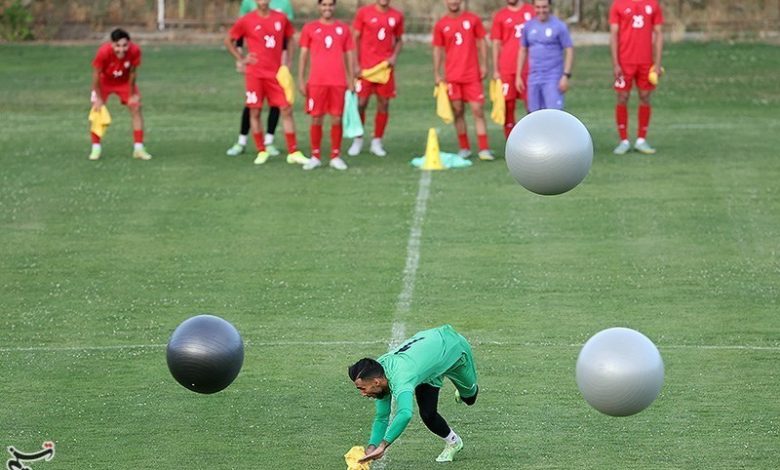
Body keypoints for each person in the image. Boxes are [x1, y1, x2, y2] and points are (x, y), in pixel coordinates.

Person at [348, 325, 479, 463]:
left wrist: (383, 445)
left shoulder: (401, 378)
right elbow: (382, 416)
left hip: (454, 350)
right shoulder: (378, 371)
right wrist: (372, 447)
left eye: (362, 389)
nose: (363, 394)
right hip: (428, 370)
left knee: (470, 398)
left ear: (376, 382)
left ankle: (462, 390)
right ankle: (454, 442)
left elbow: (405, 413)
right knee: (428, 413)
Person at [225, 0, 307, 165]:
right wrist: (242, 59)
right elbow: (229, 40)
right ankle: (261, 150)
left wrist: (288, 62)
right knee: (254, 111)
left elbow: (290, 39)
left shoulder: (281, 18)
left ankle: (293, 151)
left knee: (286, 108)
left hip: (275, 74)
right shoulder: (247, 20)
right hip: (254, 74)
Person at [298, 0, 356, 171]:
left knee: (336, 118)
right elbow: (303, 55)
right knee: (316, 117)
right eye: (324, 5)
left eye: (330, 5)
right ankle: (315, 156)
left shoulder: (343, 29)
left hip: (338, 81)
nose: (327, 8)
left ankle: (335, 156)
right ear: (319, 7)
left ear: (334, 7)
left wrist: (351, 79)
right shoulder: (309, 28)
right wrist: (301, 79)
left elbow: (349, 55)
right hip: (316, 82)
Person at [433, 0, 494, 161]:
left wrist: (484, 65)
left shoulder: (473, 20)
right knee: (458, 111)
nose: (453, 2)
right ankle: (464, 147)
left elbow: (482, 42)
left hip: (472, 75)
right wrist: (437, 73)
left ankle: (484, 149)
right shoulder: (441, 24)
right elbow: (438, 49)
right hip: (452, 76)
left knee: (478, 110)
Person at [347, 0, 404, 158]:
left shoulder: (396, 16)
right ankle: (357, 139)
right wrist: (355, 64)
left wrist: (394, 56)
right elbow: (355, 38)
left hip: (384, 69)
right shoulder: (364, 13)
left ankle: (377, 141)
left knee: (384, 103)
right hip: (365, 68)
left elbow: (399, 40)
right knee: (361, 103)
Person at [609, 0, 664, 155]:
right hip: (625, 61)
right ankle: (624, 140)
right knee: (622, 97)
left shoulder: (653, 4)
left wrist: (658, 63)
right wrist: (615, 64)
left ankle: (641, 140)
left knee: (645, 96)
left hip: (646, 62)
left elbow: (659, 33)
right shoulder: (618, 4)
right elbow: (613, 35)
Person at [89, 28, 152, 161]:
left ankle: (139, 149)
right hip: (104, 82)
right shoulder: (103, 52)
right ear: (112, 44)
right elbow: (95, 75)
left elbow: (133, 73)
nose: (121, 50)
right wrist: (98, 98)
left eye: (124, 45)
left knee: (136, 107)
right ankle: (96, 149)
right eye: (117, 46)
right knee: (97, 110)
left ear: (129, 44)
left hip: (124, 82)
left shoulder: (135, 51)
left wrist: (131, 94)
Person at [515, 0, 574, 112]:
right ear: (533, 7)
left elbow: (569, 49)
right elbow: (523, 50)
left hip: (553, 77)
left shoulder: (559, 26)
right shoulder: (528, 26)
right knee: (533, 114)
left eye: (544, 7)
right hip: (534, 77)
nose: (541, 10)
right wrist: (518, 76)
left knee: (554, 114)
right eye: (538, 7)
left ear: (549, 7)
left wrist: (565, 75)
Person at [491, 0, 535, 138]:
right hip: (507, 68)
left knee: (532, 106)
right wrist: (496, 69)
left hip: (529, 67)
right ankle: (511, 141)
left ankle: (534, 138)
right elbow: (496, 43)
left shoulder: (531, 11)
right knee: (508, 106)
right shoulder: (500, 15)